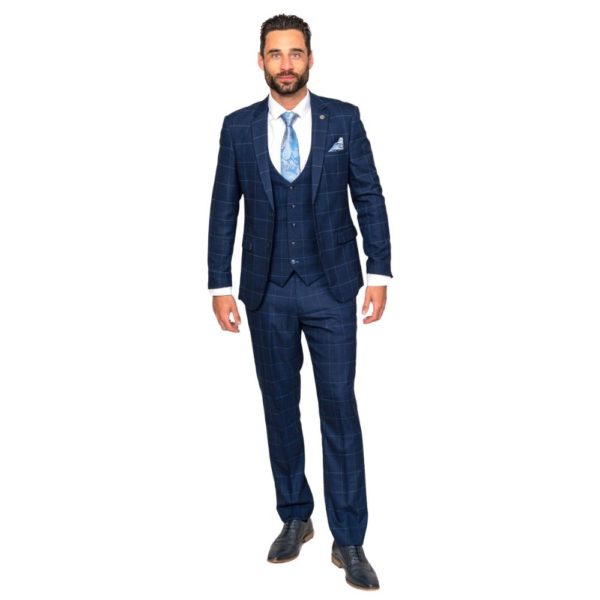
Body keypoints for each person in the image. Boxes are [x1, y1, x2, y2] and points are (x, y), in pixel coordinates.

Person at [207, 13, 392, 591]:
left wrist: (379, 270)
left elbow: (369, 194)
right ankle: (295, 515)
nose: (285, 64)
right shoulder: (237, 128)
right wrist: (219, 285)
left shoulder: (344, 118)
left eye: (294, 53)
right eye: (275, 53)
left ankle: (350, 539)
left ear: (310, 58)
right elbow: (223, 208)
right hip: (266, 291)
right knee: (280, 408)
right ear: (260, 61)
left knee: (339, 408)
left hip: (332, 287)